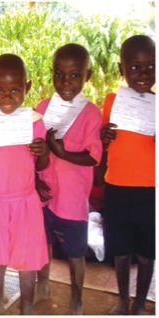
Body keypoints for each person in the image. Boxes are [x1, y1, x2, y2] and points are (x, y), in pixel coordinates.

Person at [0, 54, 50, 315]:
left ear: (28, 86)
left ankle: (26, 308)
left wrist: (43, 151)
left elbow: (41, 167)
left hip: (25, 202)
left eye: (15, 90)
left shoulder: (35, 122)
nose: (7, 98)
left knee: (27, 263)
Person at [34, 43, 103, 315]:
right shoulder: (42, 107)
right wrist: (35, 178)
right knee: (43, 244)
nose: (66, 82)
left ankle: (77, 297)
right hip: (44, 195)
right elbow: (34, 148)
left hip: (73, 201)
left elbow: (93, 157)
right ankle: (43, 284)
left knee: (76, 253)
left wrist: (61, 152)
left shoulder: (91, 113)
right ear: (51, 74)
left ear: (87, 75)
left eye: (75, 75)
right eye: (59, 74)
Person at [100, 35, 155, 315]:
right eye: (134, 67)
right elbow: (102, 144)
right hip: (117, 188)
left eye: (150, 67)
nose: (143, 74)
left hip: (150, 192)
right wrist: (104, 135)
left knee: (147, 253)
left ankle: (140, 302)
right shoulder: (112, 102)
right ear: (122, 70)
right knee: (120, 250)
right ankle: (122, 299)